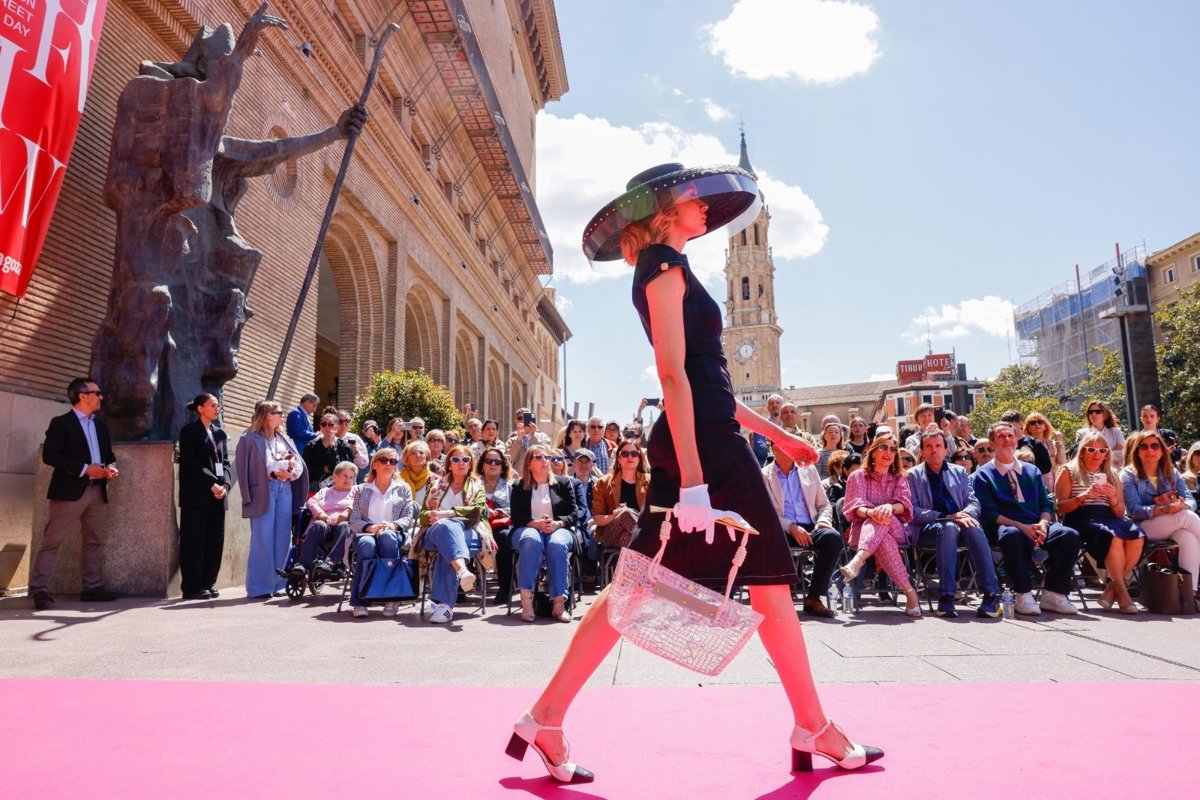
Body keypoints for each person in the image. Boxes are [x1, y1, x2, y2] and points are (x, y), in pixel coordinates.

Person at [507, 163, 881, 786]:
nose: (705, 205)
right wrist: (694, 483)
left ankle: (545, 718)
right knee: (765, 581)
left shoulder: (671, 264)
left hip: (709, 435)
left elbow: (710, 382)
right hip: (703, 446)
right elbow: (673, 376)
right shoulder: (662, 265)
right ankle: (812, 725)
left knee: (642, 585)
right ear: (663, 207)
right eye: (693, 197)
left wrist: (778, 435)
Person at [972, 422, 1082, 616]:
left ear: (1016, 440)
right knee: (1013, 536)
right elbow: (989, 513)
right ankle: (1023, 594)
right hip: (1005, 526)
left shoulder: (1032, 471)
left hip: (1037, 524)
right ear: (992, 443)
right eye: (1001, 437)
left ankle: (1054, 593)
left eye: (1010, 435)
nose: (1007, 440)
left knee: (1069, 535)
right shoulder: (983, 475)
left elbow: (1046, 503)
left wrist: (1043, 524)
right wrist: (1022, 526)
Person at [30, 378, 120, 610]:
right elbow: (50, 455)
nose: (101, 397)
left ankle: (92, 588)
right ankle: (39, 590)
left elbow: (109, 455)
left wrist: (111, 467)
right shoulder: (61, 423)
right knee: (52, 540)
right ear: (82, 395)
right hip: (69, 491)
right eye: (97, 393)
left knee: (94, 541)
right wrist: (84, 469)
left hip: (97, 491)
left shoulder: (101, 427)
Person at [906, 429, 1001, 618]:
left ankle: (991, 595)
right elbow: (912, 510)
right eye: (929, 447)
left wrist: (965, 514)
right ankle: (947, 596)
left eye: (938, 446)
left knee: (973, 527)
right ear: (922, 451)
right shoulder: (912, 476)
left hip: (960, 522)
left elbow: (973, 502)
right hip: (928, 527)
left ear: (945, 449)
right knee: (948, 528)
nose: (934, 450)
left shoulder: (959, 472)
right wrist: (947, 516)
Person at [1056, 433, 1143, 614]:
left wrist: (1112, 498)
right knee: (1114, 537)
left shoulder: (1112, 474)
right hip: (1080, 517)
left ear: (1107, 454)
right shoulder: (1068, 470)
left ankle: (1113, 588)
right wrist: (1084, 496)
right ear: (1082, 451)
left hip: (1110, 517)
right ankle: (1123, 595)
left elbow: (1119, 512)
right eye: (1091, 449)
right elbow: (1061, 507)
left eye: (1102, 450)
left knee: (1138, 535)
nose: (1097, 454)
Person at [840, 432, 921, 618]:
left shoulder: (899, 477)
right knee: (882, 535)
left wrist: (888, 508)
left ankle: (858, 561)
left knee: (884, 518)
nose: (889, 452)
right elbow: (855, 506)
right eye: (884, 447)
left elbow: (904, 505)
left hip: (895, 527)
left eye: (893, 449)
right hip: (862, 531)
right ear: (873, 451)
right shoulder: (858, 476)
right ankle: (910, 592)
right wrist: (871, 512)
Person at [412, 445, 496, 623]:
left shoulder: (477, 486)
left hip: (470, 532)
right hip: (435, 533)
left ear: (470, 463)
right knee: (446, 529)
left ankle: (444, 606)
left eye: (465, 459)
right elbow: (422, 515)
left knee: (448, 546)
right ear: (449, 464)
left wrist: (448, 514)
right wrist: (433, 515)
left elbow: (478, 510)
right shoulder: (436, 486)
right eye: (456, 459)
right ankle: (462, 572)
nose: (461, 463)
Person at [236, 400, 308, 599]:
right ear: (268, 416)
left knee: (283, 537)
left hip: (285, 489)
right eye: (279, 413)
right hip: (263, 490)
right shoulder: (249, 438)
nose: (282, 416)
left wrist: (290, 473)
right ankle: (259, 587)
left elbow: (298, 463)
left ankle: (279, 585)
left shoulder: (284, 438)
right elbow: (242, 468)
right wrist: (247, 496)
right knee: (262, 537)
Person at [762, 444, 844, 618]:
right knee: (769, 540)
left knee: (832, 538)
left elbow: (824, 504)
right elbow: (764, 513)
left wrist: (822, 522)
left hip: (812, 526)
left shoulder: (809, 470)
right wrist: (791, 527)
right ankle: (779, 599)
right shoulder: (764, 475)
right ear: (775, 449)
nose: (792, 449)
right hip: (782, 528)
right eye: (786, 445)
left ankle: (814, 598)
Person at [1121, 430, 1200, 606]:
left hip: (1173, 520)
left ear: (1162, 450)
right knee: (1185, 517)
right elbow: (1133, 510)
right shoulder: (1128, 474)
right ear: (1137, 451)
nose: (1150, 450)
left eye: (1155, 446)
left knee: (1188, 538)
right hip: (1141, 526)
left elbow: (1190, 499)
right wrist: (1163, 509)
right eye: (1144, 446)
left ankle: (1189, 595)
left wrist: (1183, 505)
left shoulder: (1170, 471)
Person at [509, 444, 578, 624]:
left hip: (558, 529)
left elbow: (574, 513)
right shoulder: (518, 486)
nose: (545, 461)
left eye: (547, 457)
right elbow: (516, 516)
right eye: (539, 457)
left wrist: (557, 523)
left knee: (556, 544)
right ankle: (526, 602)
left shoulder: (563, 483)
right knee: (531, 540)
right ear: (529, 463)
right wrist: (535, 524)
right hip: (527, 528)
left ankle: (559, 604)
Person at [347, 448, 415, 618]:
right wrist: (370, 528)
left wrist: (391, 525)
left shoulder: (403, 488)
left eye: (393, 461)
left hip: (393, 532)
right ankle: (360, 601)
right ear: (375, 464)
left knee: (387, 537)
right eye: (384, 460)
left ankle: (392, 598)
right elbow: (354, 520)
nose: (388, 464)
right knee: (366, 545)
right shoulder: (361, 489)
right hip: (366, 533)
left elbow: (408, 518)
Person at [177, 392, 230, 600]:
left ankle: (208, 582)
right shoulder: (189, 432)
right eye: (212, 405)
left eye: (218, 405)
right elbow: (190, 463)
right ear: (200, 408)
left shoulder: (220, 434)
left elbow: (226, 463)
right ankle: (192, 586)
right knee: (194, 541)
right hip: (197, 496)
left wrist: (225, 484)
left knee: (214, 541)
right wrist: (212, 484)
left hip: (218, 496)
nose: (217, 408)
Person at [292, 461, 357, 579]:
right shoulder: (324, 491)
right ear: (335, 477)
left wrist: (348, 510)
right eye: (345, 476)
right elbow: (311, 502)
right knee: (319, 524)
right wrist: (320, 513)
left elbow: (360, 504)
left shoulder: (355, 492)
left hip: (343, 529)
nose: (348, 480)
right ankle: (302, 564)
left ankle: (331, 562)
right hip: (324, 526)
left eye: (351, 477)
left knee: (345, 525)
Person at [591, 438, 651, 553]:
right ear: (618, 459)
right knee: (625, 513)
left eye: (634, 454)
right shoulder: (603, 483)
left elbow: (657, 509)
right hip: (611, 533)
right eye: (625, 454)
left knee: (627, 537)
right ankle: (647, 542)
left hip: (634, 533)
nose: (630, 457)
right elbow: (597, 518)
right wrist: (615, 515)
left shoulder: (650, 481)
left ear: (639, 458)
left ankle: (640, 549)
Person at [477, 445, 516, 604]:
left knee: (504, 537)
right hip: (477, 525)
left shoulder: (510, 486)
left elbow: (515, 508)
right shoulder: (473, 483)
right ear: (482, 464)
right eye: (489, 461)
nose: (493, 464)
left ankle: (505, 588)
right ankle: (460, 588)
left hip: (500, 525)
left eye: (497, 461)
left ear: (503, 465)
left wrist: (499, 512)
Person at [304, 412, 353, 489]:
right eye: (324, 424)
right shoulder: (311, 446)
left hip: (339, 487)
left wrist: (332, 446)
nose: (327, 427)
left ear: (336, 427)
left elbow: (349, 468)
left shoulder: (344, 446)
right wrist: (322, 469)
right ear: (320, 427)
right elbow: (305, 467)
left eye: (331, 425)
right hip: (316, 488)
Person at [1020, 412, 1065, 490]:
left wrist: (1059, 442)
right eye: (1032, 423)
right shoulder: (1026, 446)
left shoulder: (1051, 444)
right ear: (1028, 428)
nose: (1037, 424)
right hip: (1038, 485)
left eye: (1040, 422)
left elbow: (1061, 461)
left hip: (1055, 484)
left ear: (1045, 426)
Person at [508, 408, 552, 476]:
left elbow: (546, 454)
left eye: (526, 418)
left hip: (539, 476)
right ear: (516, 421)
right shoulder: (512, 440)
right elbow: (508, 459)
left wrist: (533, 436)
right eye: (520, 418)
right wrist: (519, 439)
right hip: (519, 477)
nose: (523, 420)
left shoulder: (543, 437)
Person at [399, 440, 435, 509]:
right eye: (413, 453)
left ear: (426, 457)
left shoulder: (436, 480)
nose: (418, 455)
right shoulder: (398, 479)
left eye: (421, 453)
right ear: (407, 459)